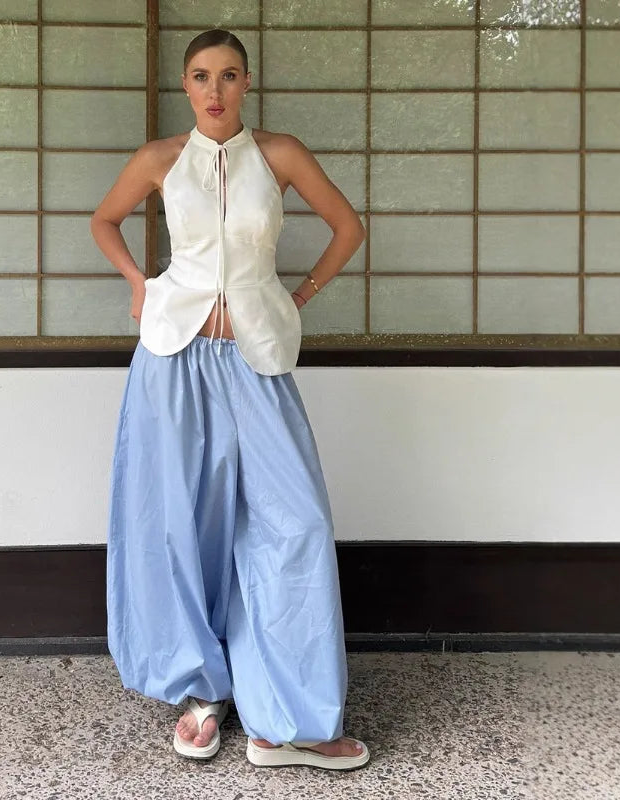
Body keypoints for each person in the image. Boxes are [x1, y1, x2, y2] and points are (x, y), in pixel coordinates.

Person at [91, 28, 369, 771]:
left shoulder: (279, 155)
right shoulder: (160, 160)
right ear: (186, 86)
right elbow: (102, 220)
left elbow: (349, 228)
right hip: (173, 362)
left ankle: (290, 721)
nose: (215, 89)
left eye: (229, 75)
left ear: (247, 83)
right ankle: (202, 692)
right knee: (182, 526)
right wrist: (139, 285)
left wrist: (298, 294)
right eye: (201, 76)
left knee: (294, 522)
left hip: (256, 359)